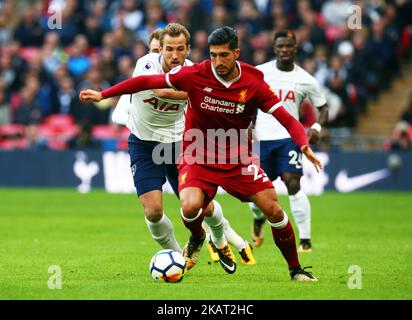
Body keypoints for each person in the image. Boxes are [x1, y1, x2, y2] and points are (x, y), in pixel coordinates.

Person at [79, 26, 322, 281]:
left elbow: (286, 118)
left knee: (274, 210)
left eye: (224, 55)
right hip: (197, 152)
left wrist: (303, 143)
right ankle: (197, 237)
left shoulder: (254, 81)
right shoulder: (196, 73)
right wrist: (104, 94)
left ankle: (296, 270)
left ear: (236, 53)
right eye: (213, 54)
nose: (217, 61)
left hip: (237, 156)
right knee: (191, 206)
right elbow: (147, 82)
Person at [110, 24, 256, 268]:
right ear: (158, 52)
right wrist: (193, 92)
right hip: (145, 145)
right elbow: (158, 89)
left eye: (179, 49)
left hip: (180, 144)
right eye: (167, 49)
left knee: (203, 205)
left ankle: (222, 241)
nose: (173, 55)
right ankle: (179, 256)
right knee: (154, 211)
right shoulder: (146, 65)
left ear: (188, 49)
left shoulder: (194, 72)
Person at [249, 30, 329, 253]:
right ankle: (258, 220)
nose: (284, 50)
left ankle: (305, 240)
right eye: (280, 46)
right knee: (255, 194)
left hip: (289, 138)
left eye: (288, 46)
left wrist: (316, 127)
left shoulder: (306, 80)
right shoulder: (260, 73)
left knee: (293, 183)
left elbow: (323, 108)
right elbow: (247, 100)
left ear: (295, 48)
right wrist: (248, 123)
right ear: (274, 49)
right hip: (261, 139)